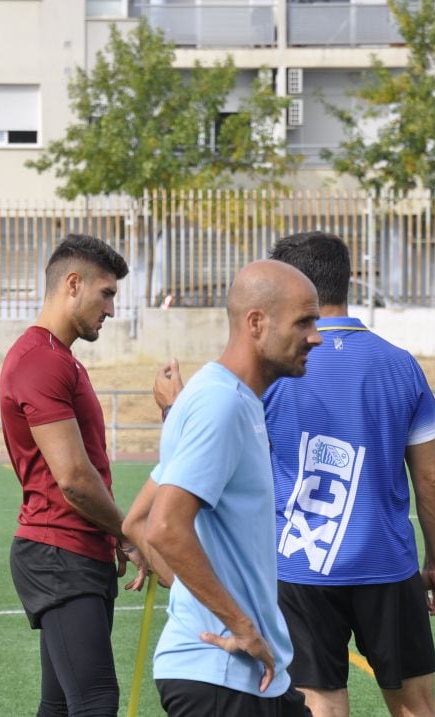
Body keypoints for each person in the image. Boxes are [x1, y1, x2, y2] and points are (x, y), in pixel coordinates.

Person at [263, 231, 435, 717]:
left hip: (301, 564)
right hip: (386, 564)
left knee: (319, 702)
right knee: (415, 705)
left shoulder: (275, 367)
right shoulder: (400, 364)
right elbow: (428, 479)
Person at [123, 259, 322, 717]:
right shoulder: (220, 404)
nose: (316, 336)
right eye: (304, 322)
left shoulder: (223, 398)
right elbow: (163, 527)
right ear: (256, 323)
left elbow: (136, 521)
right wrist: (237, 623)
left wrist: (195, 597)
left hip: (247, 676)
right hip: (221, 674)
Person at [0, 233, 146, 717]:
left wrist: (111, 541)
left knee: (61, 706)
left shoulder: (60, 358)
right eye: (106, 294)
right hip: (58, 551)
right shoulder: (40, 360)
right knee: (96, 702)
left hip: (77, 550)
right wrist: (128, 536)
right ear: (73, 284)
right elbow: (75, 480)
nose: (111, 309)